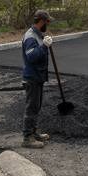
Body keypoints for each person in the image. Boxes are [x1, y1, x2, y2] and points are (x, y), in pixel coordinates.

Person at [20, 10, 54, 149]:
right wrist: (44, 46)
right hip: (32, 77)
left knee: (36, 106)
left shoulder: (38, 34)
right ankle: (27, 138)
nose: (48, 24)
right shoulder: (30, 36)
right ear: (41, 21)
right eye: (47, 21)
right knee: (31, 107)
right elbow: (32, 57)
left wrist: (45, 45)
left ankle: (33, 133)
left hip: (38, 76)